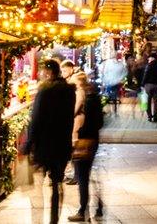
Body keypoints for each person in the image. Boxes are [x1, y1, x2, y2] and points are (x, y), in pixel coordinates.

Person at [25, 59, 76, 224]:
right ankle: (54, 220)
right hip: (62, 145)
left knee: (38, 186)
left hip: (44, 145)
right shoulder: (69, 91)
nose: (40, 74)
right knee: (57, 185)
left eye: (42, 71)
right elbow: (69, 118)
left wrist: (28, 144)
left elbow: (36, 119)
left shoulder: (44, 92)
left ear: (48, 72)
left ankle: (37, 221)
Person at [67, 72, 104, 222]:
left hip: (83, 141)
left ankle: (82, 211)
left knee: (82, 177)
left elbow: (82, 123)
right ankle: (99, 205)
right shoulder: (94, 98)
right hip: (93, 140)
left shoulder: (84, 103)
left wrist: (78, 133)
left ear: (79, 85)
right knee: (88, 175)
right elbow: (100, 122)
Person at [141, 53, 157, 122]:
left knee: (147, 101)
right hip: (156, 85)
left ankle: (149, 116)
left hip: (148, 85)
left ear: (153, 58)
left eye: (149, 58)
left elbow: (145, 75)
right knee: (156, 102)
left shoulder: (149, 65)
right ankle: (155, 117)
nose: (148, 59)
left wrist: (142, 84)